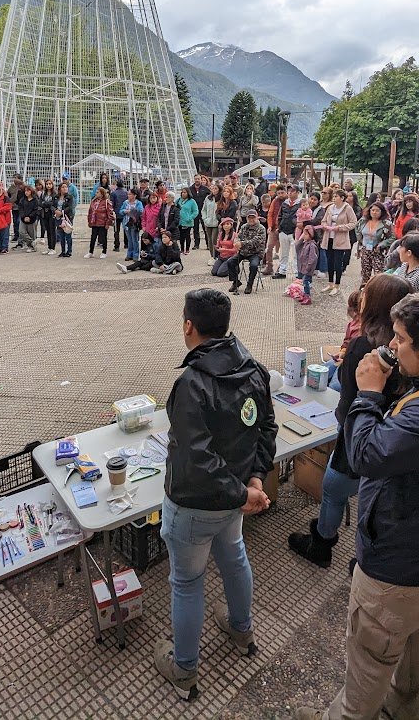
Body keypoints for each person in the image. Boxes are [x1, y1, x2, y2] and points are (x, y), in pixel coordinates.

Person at [295, 293, 419, 720]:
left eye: (401, 340)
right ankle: (404, 708)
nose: (393, 346)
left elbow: (367, 455)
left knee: (370, 659)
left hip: (399, 563)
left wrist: (368, 394)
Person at [154, 289, 275, 700]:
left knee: (187, 583)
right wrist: (253, 483)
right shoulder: (253, 368)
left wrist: (243, 491)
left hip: (196, 505)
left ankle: (185, 669)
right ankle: (242, 631)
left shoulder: (193, 382)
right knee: (234, 556)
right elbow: (266, 429)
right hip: (235, 499)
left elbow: (197, 460)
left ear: (188, 326)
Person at [287, 274, 412, 567]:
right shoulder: (405, 346)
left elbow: (349, 388)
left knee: (333, 488)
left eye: (367, 291)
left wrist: (345, 368)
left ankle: (321, 544)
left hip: (358, 429)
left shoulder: (363, 345)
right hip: (390, 434)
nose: (361, 294)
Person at [319, 188, 357, 296]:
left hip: (340, 239)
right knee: (329, 261)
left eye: (336, 197)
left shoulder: (347, 208)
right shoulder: (330, 208)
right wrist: (325, 226)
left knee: (338, 262)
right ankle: (330, 283)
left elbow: (353, 223)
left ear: (342, 198)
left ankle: (337, 285)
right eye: (334, 196)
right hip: (329, 237)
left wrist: (340, 227)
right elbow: (324, 220)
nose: (334, 198)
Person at [227, 210, 267, 295]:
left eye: (253, 217)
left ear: (257, 217)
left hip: (255, 253)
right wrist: (236, 243)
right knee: (230, 262)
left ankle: (250, 284)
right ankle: (236, 282)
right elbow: (238, 236)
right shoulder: (244, 227)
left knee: (254, 265)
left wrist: (241, 243)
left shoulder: (261, 228)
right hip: (243, 252)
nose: (251, 219)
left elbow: (255, 241)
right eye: (249, 217)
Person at [355, 202, 395, 286]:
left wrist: (382, 244)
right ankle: (364, 290)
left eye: (377, 210)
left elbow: (392, 237)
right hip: (365, 249)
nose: (374, 212)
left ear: (382, 212)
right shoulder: (363, 221)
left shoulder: (386, 224)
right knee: (365, 272)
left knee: (378, 273)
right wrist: (360, 240)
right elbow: (357, 228)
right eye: (372, 210)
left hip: (378, 251)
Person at [274, 185, 303, 279]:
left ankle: (296, 272)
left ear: (298, 193)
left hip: (295, 232)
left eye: (293, 191)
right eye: (289, 191)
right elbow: (280, 216)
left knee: (295, 253)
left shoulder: (301, 204)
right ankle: (282, 271)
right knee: (284, 253)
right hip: (283, 230)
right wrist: (279, 227)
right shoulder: (284, 204)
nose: (290, 193)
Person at [85, 186, 115, 259]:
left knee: (103, 238)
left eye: (98, 192)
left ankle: (104, 252)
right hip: (94, 222)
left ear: (102, 193)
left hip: (102, 222)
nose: (96, 193)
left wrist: (108, 223)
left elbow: (110, 213)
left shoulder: (106, 202)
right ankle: (90, 252)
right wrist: (89, 221)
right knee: (93, 237)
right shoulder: (93, 201)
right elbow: (90, 211)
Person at [295, 225, 319, 304]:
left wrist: (308, 267)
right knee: (304, 282)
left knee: (306, 282)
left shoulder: (312, 245)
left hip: (308, 269)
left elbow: (312, 258)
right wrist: (301, 238)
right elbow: (297, 246)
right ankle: (305, 295)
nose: (303, 236)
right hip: (304, 267)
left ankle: (307, 296)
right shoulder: (305, 244)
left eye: (305, 234)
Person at [119, 188, 144, 263]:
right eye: (128, 194)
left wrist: (133, 211)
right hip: (126, 223)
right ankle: (129, 254)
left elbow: (141, 211)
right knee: (129, 240)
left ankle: (135, 255)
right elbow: (120, 211)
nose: (128, 196)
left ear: (135, 195)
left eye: (130, 194)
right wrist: (125, 211)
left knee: (135, 240)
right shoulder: (125, 202)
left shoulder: (138, 203)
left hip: (134, 224)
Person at [53, 182, 75, 257]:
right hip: (58, 218)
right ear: (59, 189)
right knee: (61, 235)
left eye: (66, 187)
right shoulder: (56, 197)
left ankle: (69, 251)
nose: (65, 188)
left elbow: (70, 207)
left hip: (66, 218)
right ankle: (63, 251)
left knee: (68, 234)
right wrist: (55, 211)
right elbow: (52, 205)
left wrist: (62, 212)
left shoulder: (70, 197)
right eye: (63, 187)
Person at [175, 187, 199, 254]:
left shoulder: (192, 201)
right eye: (182, 192)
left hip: (188, 222)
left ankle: (187, 249)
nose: (183, 194)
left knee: (187, 235)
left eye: (185, 192)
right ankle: (182, 249)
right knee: (181, 236)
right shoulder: (178, 200)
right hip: (179, 221)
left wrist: (190, 218)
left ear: (188, 193)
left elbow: (195, 211)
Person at [200, 186, 219, 256]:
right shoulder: (208, 198)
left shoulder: (221, 199)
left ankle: (216, 255)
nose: (214, 190)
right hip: (208, 222)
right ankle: (212, 255)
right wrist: (205, 219)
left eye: (216, 188)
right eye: (212, 188)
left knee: (214, 239)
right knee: (209, 240)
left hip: (216, 223)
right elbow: (204, 209)